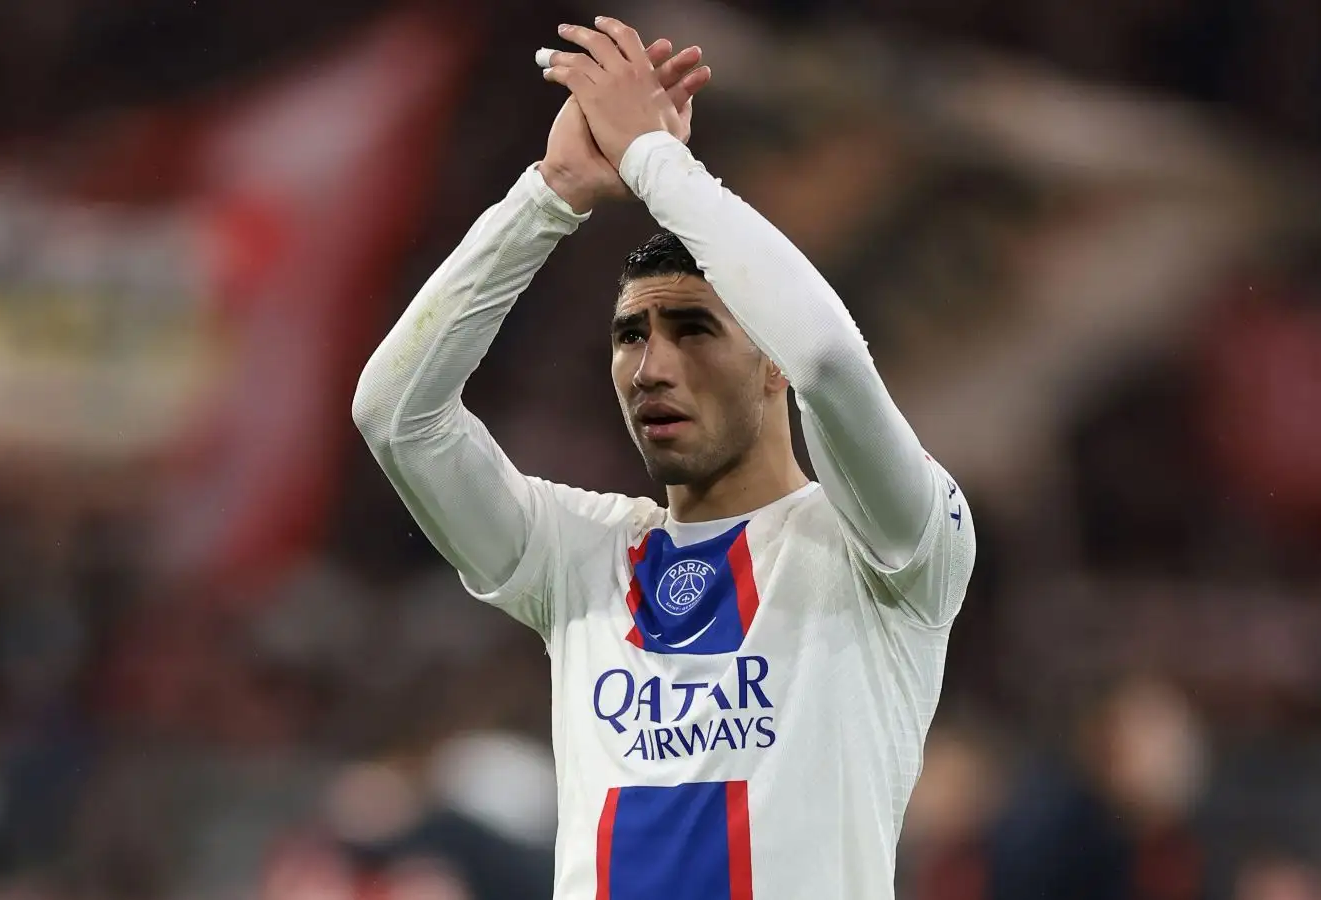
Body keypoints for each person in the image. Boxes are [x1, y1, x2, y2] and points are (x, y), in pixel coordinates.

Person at [353, 16, 975, 899]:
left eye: (692, 330)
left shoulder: (891, 550)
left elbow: (832, 362)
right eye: (630, 335)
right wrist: (551, 194)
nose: (651, 368)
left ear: (771, 359)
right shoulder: (581, 558)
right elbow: (395, 416)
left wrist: (656, 162)